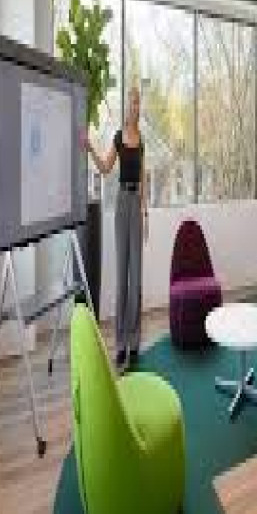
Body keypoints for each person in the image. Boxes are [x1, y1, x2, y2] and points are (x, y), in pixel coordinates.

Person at [83, 86, 148, 369]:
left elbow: (143, 177)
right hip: (122, 204)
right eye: (131, 103)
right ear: (126, 107)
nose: (135, 107)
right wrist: (90, 149)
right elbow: (106, 168)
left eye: (138, 103)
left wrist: (145, 212)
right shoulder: (119, 137)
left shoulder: (141, 139)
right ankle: (120, 344)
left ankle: (134, 342)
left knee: (137, 279)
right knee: (122, 277)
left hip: (136, 205)